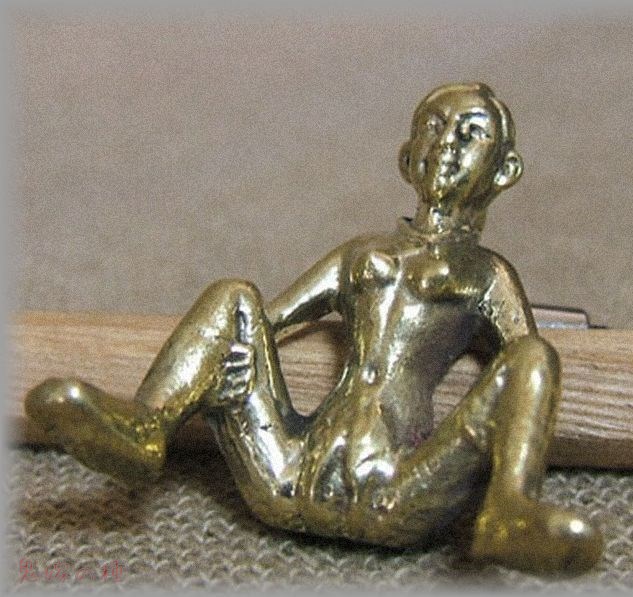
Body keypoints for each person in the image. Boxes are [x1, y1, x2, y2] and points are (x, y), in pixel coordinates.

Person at [26, 82, 602, 574]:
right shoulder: (361, 253)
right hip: (289, 474)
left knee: (535, 356)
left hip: (396, 489)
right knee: (233, 297)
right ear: (406, 158)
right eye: (432, 127)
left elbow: (526, 379)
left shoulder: (487, 274)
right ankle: (147, 428)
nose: (446, 143)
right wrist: (229, 364)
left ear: (505, 171)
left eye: (469, 133)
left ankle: (508, 509)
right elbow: (267, 323)